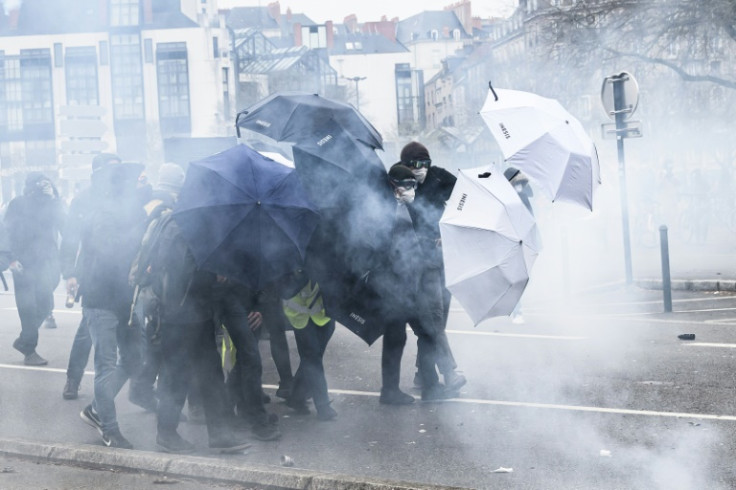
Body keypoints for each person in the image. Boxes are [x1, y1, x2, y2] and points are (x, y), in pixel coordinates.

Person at [141, 209, 253, 454]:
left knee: (211, 374)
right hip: (179, 317)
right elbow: (184, 275)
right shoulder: (182, 228)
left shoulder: (187, 224)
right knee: (176, 377)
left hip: (196, 316)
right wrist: (216, 277)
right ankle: (166, 434)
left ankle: (220, 433)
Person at [77, 162, 147, 449]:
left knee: (133, 359)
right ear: (125, 186)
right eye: (138, 182)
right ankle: (109, 428)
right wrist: (139, 232)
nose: (142, 187)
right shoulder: (103, 213)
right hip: (100, 299)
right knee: (105, 364)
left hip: (123, 299)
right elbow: (109, 251)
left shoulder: (132, 212)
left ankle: (95, 409)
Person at [397, 142, 466, 394]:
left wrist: (450, 223)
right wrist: (404, 201)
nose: (420, 169)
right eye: (415, 164)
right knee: (433, 318)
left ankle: (423, 375)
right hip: (419, 263)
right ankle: (448, 372)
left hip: (443, 257)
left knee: (437, 321)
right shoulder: (400, 182)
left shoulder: (440, 177)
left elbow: (465, 200)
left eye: (424, 163)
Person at [379, 164, 449, 404]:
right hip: (395, 286)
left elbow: (423, 233)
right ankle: (395, 390)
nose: (410, 189)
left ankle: (425, 387)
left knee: (422, 334)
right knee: (400, 336)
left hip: (413, 282)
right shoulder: (381, 208)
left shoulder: (413, 207)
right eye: (405, 185)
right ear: (392, 185)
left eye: (413, 185)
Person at [60, 153, 122, 400]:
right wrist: (70, 274)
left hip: (122, 276)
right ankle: (73, 379)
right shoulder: (83, 200)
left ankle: (140, 386)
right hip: (93, 275)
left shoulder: (123, 196)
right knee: (87, 331)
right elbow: (69, 239)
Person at [127, 163, 186, 412]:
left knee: (154, 340)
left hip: (142, 285)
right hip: (155, 285)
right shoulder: (166, 208)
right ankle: (144, 390)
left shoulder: (148, 202)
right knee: (158, 341)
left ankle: (143, 389)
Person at [4, 172, 65, 366]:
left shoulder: (51, 204)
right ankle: (29, 349)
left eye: (48, 183)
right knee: (28, 308)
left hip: (47, 263)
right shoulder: (18, 204)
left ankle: (24, 341)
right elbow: (6, 232)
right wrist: (10, 259)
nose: (44, 187)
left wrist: (55, 198)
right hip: (24, 264)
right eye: (41, 184)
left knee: (46, 305)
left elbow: (66, 224)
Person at [282, 270, 337, 421]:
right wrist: (309, 272)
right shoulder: (292, 257)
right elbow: (287, 289)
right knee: (312, 358)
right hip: (300, 316)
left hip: (323, 316)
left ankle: (296, 397)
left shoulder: (326, 253)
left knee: (311, 358)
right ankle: (323, 405)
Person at [504, 166, 535, 324]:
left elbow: (531, 222)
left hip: (521, 243)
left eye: (520, 183)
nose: (519, 186)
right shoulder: (507, 200)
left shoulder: (522, 197)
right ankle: (516, 310)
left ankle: (516, 309)